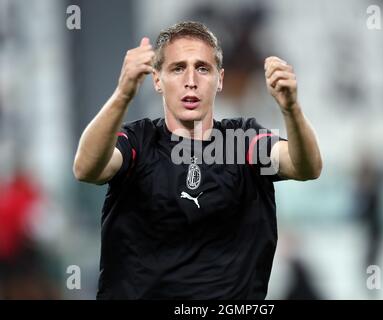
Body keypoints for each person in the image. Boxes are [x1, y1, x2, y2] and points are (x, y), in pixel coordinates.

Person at [73, 21, 322, 299]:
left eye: (202, 68)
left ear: (220, 79)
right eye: (178, 68)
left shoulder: (243, 140)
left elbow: (306, 167)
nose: (191, 80)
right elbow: (86, 169)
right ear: (157, 79)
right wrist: (122, 95)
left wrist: (292, 109)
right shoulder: (138, 142)